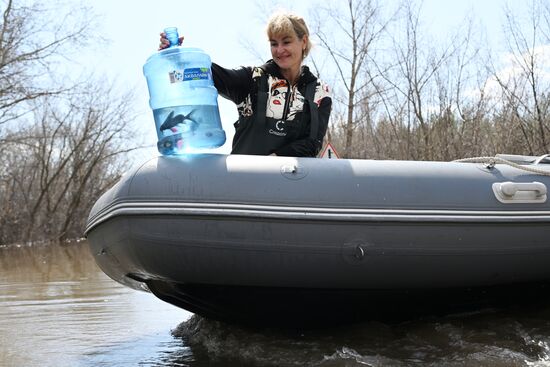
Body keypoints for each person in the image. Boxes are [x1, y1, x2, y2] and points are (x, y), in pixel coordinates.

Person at [159, 11, 332, 157]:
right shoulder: (253, 79)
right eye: (274, 44)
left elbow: (312, 144)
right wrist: (178, 57)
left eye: (286, 42)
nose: (279, 50)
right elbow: (211, 75)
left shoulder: (319, 94)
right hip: (240, 185)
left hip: (288, 188)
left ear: (303, 42)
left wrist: (275, 162)